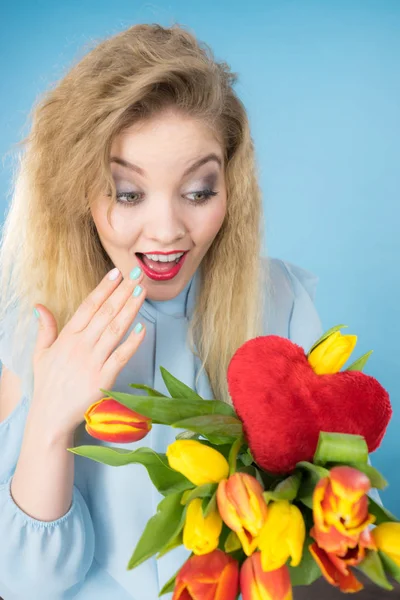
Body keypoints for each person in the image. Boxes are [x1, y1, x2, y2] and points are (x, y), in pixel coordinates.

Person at [0, 22, 388, 600]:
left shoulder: (278, 299)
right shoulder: (31, 323)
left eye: (199, 190)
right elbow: (27, 585)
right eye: (128, 193)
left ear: (230, 185)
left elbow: (353, 534)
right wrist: (50, 422)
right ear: (82, 190)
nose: (167, 230)